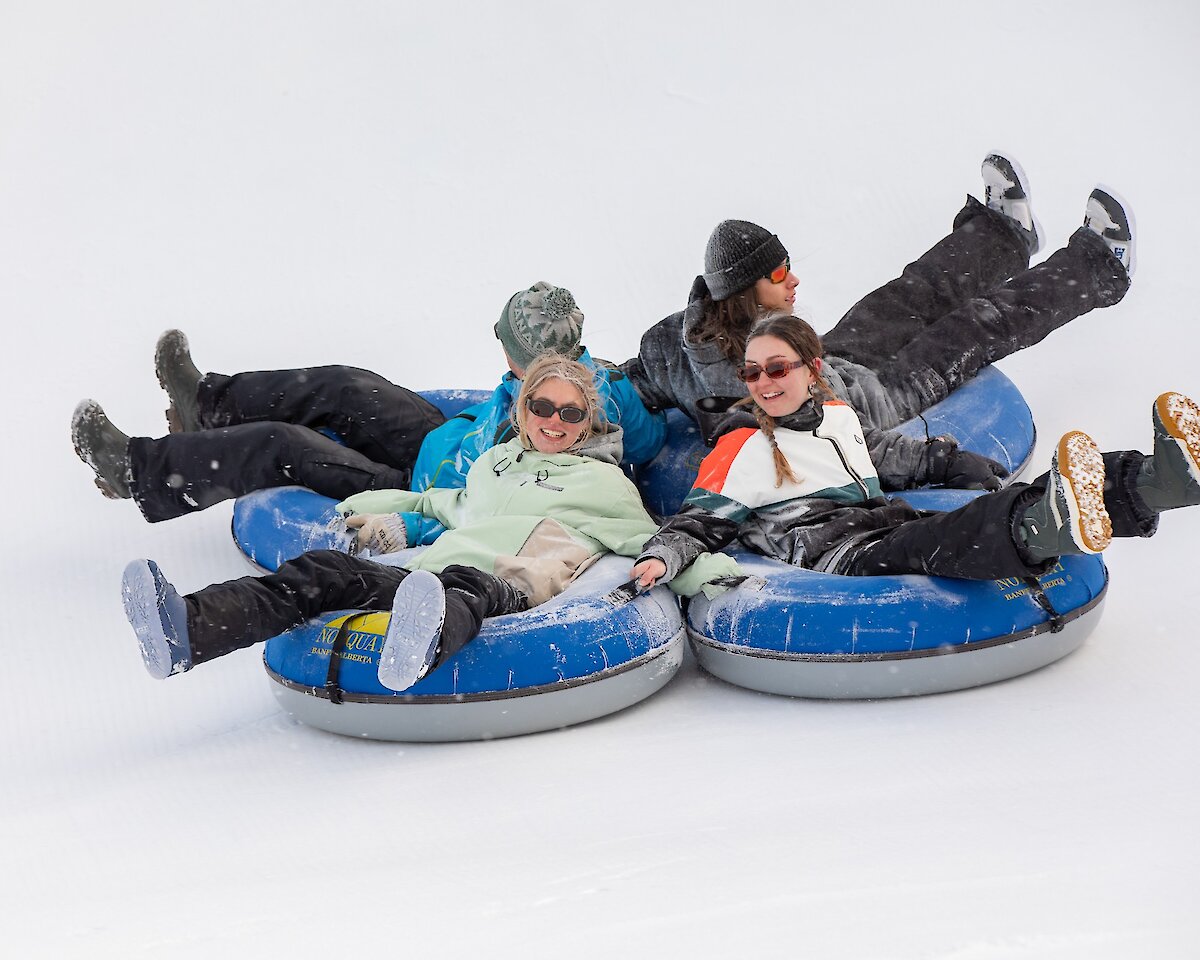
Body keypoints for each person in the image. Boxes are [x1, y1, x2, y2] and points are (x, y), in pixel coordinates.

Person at [120, 354, 740, 692]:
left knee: (461, 590)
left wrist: (719, 577)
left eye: (570, 411)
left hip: (510, 580)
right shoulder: (495, 465)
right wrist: (376, 509)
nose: (555, 419)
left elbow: (650, 539)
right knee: (324, 571)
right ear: (523, 411)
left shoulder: (604, 484)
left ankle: (417, 651)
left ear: (588, 422)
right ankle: (188, 629)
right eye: (542, 405)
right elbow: (443, 507)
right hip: (426, 571)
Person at [629, 314, 1199, 592]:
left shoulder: (838, 418)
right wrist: (662, 557)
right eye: (751, 372)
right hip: (842, 558)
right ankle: (1055, 523)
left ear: (812, 371)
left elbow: (888, 456)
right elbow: (698, 523)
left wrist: (950, 461)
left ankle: (1157, 481)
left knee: (1004, 500)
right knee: (959, 532)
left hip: (886, 525)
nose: (763, 381)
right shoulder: (743, 446)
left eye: (777, 368)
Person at [620, 152, 1134, 441]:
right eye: (779, 274)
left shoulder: (678, 338)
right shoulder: (755, 389)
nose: (793, 282)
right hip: (877, 402)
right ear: (740, 293)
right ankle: (1101, 266)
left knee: (908, 295)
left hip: (834, 360)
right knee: (980, 324)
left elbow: (627, 382)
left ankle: (1002, 235)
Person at [72, 282, 667, 532]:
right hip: (447, 440)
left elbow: (480, 511)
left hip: (420, 488)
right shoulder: (571, 380)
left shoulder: (568, 412)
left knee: (284, 447)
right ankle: (203, 404)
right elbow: (643, 437)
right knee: (347, 386)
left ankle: (134, 470)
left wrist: (609, 406)